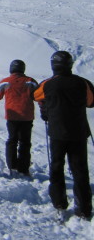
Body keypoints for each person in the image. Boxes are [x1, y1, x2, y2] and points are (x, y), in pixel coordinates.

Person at [34, 51, 94, 220]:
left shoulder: (48, 84)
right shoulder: (83, 83)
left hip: (57, 132)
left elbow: (35, 95)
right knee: (80, 170)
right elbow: (91, 102)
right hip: (79, 132)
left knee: (56, 167)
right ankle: (84, 208)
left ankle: (59, 202)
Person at [0, 59, 38, 176]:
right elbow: (39, 96)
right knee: (25, 142)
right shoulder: (30, 81)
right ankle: (24, 167)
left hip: (12, 116)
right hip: (27, 116)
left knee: (12, 140)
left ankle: (12, 165)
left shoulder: (6, 82)